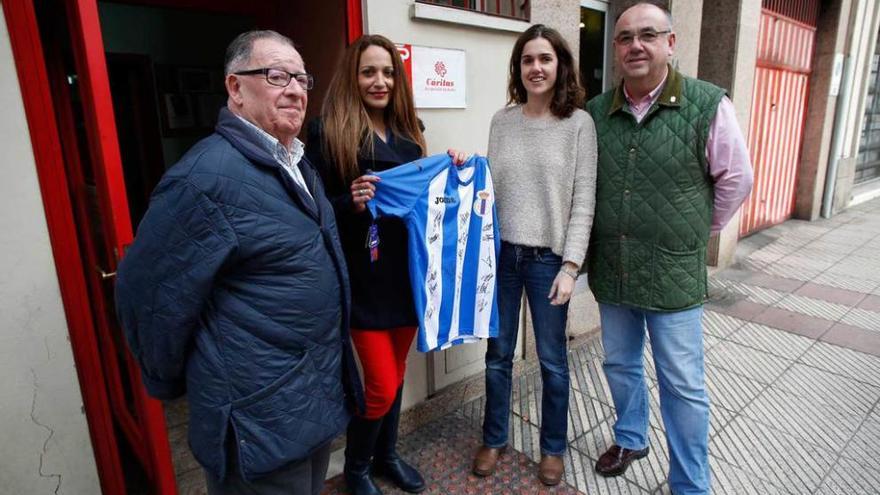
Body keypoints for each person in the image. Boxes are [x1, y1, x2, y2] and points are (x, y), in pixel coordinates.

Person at [115, 30, 364, 495]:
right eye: (276, 75)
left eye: (302, 78)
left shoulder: (296, 162)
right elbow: (145, 293)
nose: (295, 89)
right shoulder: (202, 180)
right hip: (258, 419)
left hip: (309, 401)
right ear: (235, 88)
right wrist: (173, 382)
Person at [585, 3, 754, 494]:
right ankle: (632, 436)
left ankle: (689, 483)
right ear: (616, 49)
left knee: (682, 383)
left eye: (648, 35)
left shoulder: (708, 104)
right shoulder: (599, 112)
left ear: (670, 43)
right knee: (618, 363)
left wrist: (699, 229)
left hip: (673, 274)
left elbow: (736, 179)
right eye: (625, 38)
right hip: (614, 268)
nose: (635, 45)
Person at [305, 34, 466, 495]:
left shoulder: (411, 137)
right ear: (352, 77)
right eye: (369, 71)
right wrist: (348, 202)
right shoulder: (326, 133)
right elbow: (311, 214)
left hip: (407, 280)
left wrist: (452, 166)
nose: (380, 81)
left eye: (389, 72)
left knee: (394, 379)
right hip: (362, 283)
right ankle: (357, 469)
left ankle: (387, 457)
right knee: (379, 384)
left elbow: (430, 203)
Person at [472, 24, 597, 486]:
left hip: (549, 260)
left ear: (560, 65)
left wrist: (571, 266)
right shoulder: (501, 121)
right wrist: (466, 169)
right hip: (503, 257)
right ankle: (493, 437)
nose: (536, 68)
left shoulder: (579, 124)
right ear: (518, 68)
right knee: (498, 355)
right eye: (528, 60)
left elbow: (584, 201)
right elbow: (492, 188)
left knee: (550, 361)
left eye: (545, 59)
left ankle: (552, 448)